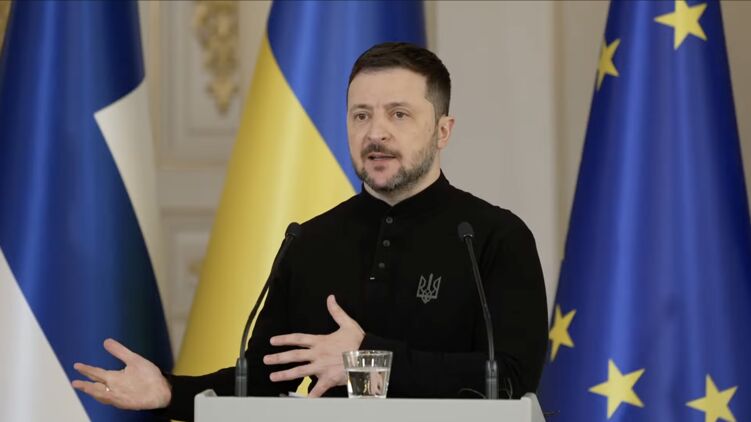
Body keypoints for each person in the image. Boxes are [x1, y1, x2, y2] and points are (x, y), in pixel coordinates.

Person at [72, 42, 548, 421]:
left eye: (398, 114)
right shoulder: (311, 242)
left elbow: (509, 381)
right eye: (361, 115)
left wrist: (365, 361)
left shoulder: (493, 238)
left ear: (443, 131)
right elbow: (262, 382)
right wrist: (169, 392)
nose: (375, 133)